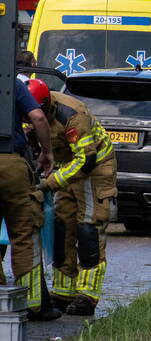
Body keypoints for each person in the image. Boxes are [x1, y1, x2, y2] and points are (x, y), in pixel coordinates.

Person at [29, 79, 117, 317]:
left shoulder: (72, 114)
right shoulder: (30, 110)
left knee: (88, 229)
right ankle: (63, 292)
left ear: (46, 106)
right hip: (64, 165)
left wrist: (49, 183)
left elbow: (85, 160)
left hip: (95, 167)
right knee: (62, 227)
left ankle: (87, 296)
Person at [0, 78, 60, 320]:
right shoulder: (10, 81)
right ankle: (32, 306)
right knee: (24, 235)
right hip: (11, 163)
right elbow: (37, 116)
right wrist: (47, 151)